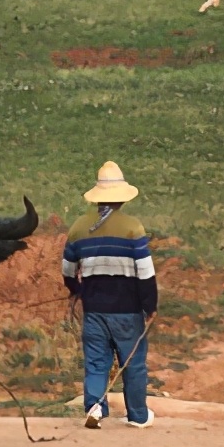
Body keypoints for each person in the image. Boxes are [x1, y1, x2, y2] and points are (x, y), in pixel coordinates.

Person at [62, 161, 158, 429]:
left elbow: (68, 270)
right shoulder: (133, 228)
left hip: (94, 310)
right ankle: (138, 416)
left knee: (96, 363)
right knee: (133, 364)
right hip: (127, 310)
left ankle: (94, 409)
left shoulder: (79, 227)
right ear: (122, 198)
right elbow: (145, 273)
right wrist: (150, 305)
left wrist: (77, 291)